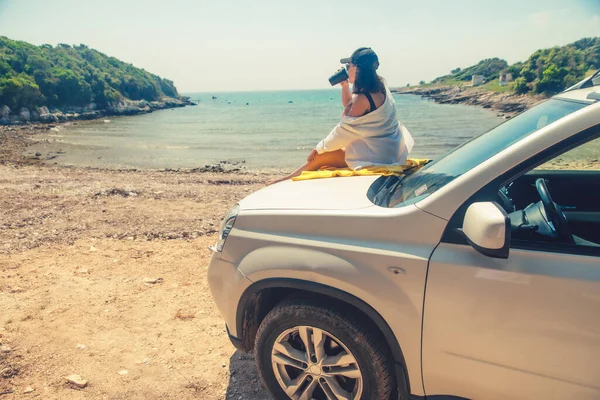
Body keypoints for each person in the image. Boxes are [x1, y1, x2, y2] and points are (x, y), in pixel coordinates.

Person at [268, 47, 414, 185]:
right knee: (329, 155)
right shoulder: (380, 86)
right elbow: (352, 109)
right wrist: (345, 86)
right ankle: (288, 178)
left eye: (349, 65)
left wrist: (319, 148)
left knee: (319, 157)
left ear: (357, 68)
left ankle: (286, 180)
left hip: (375, 157)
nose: (347, 69)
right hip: (389, 152)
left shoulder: (363, 98)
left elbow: (343, 131)